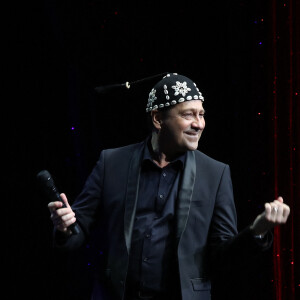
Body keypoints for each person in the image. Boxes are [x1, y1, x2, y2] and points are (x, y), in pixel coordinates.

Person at [48, 73, 290, 300]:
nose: (199, 124)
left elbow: (222, 258)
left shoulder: (215, 174)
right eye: (188, 115)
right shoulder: (111, 163)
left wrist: (256, 231)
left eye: (202, 114)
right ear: (157, 118)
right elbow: (75, 233)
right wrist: (65, 227)